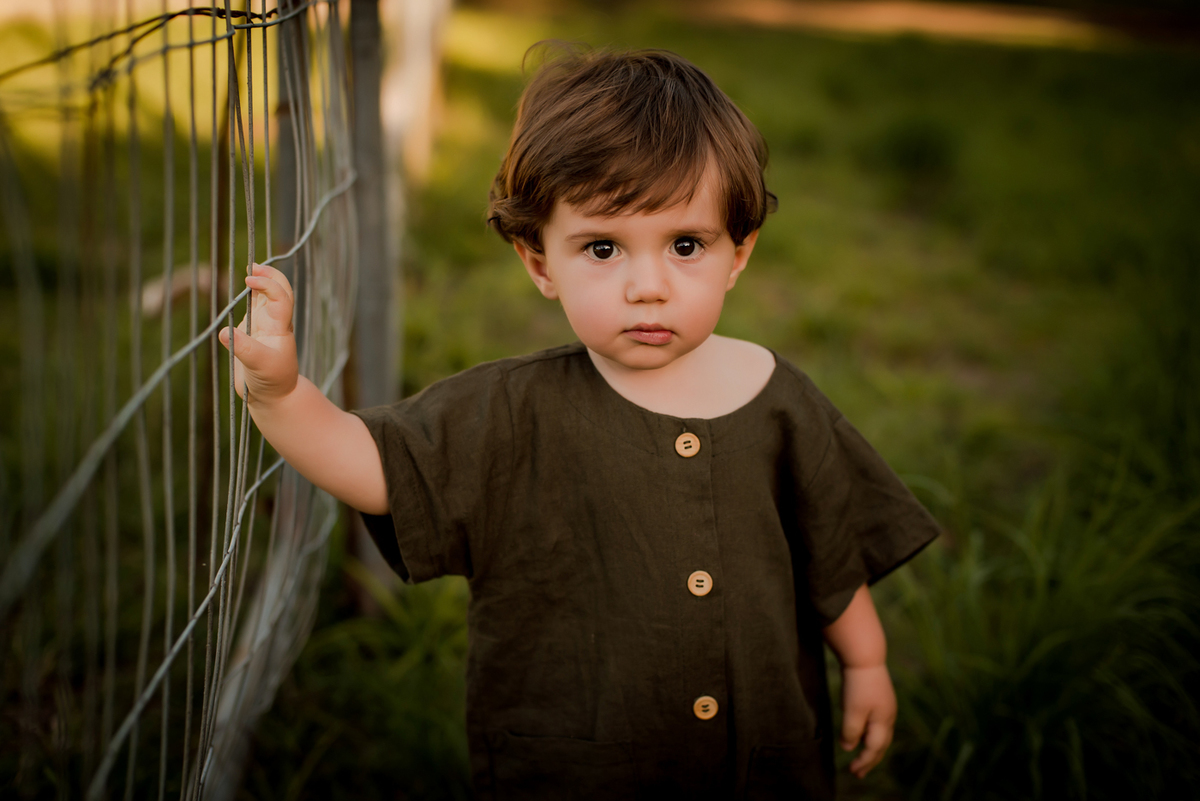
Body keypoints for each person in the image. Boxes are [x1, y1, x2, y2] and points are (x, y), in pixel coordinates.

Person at [219, 44, 939, 800]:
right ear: (539, 263)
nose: (648, 287)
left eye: (686, 245)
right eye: (603, 247)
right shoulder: (510, 410)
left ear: (738, 253)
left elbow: (832, 554)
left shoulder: (778, 397)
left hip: (757, 761)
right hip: (581, 765)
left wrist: (865, 662)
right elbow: (373, 467)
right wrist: (280, 395)